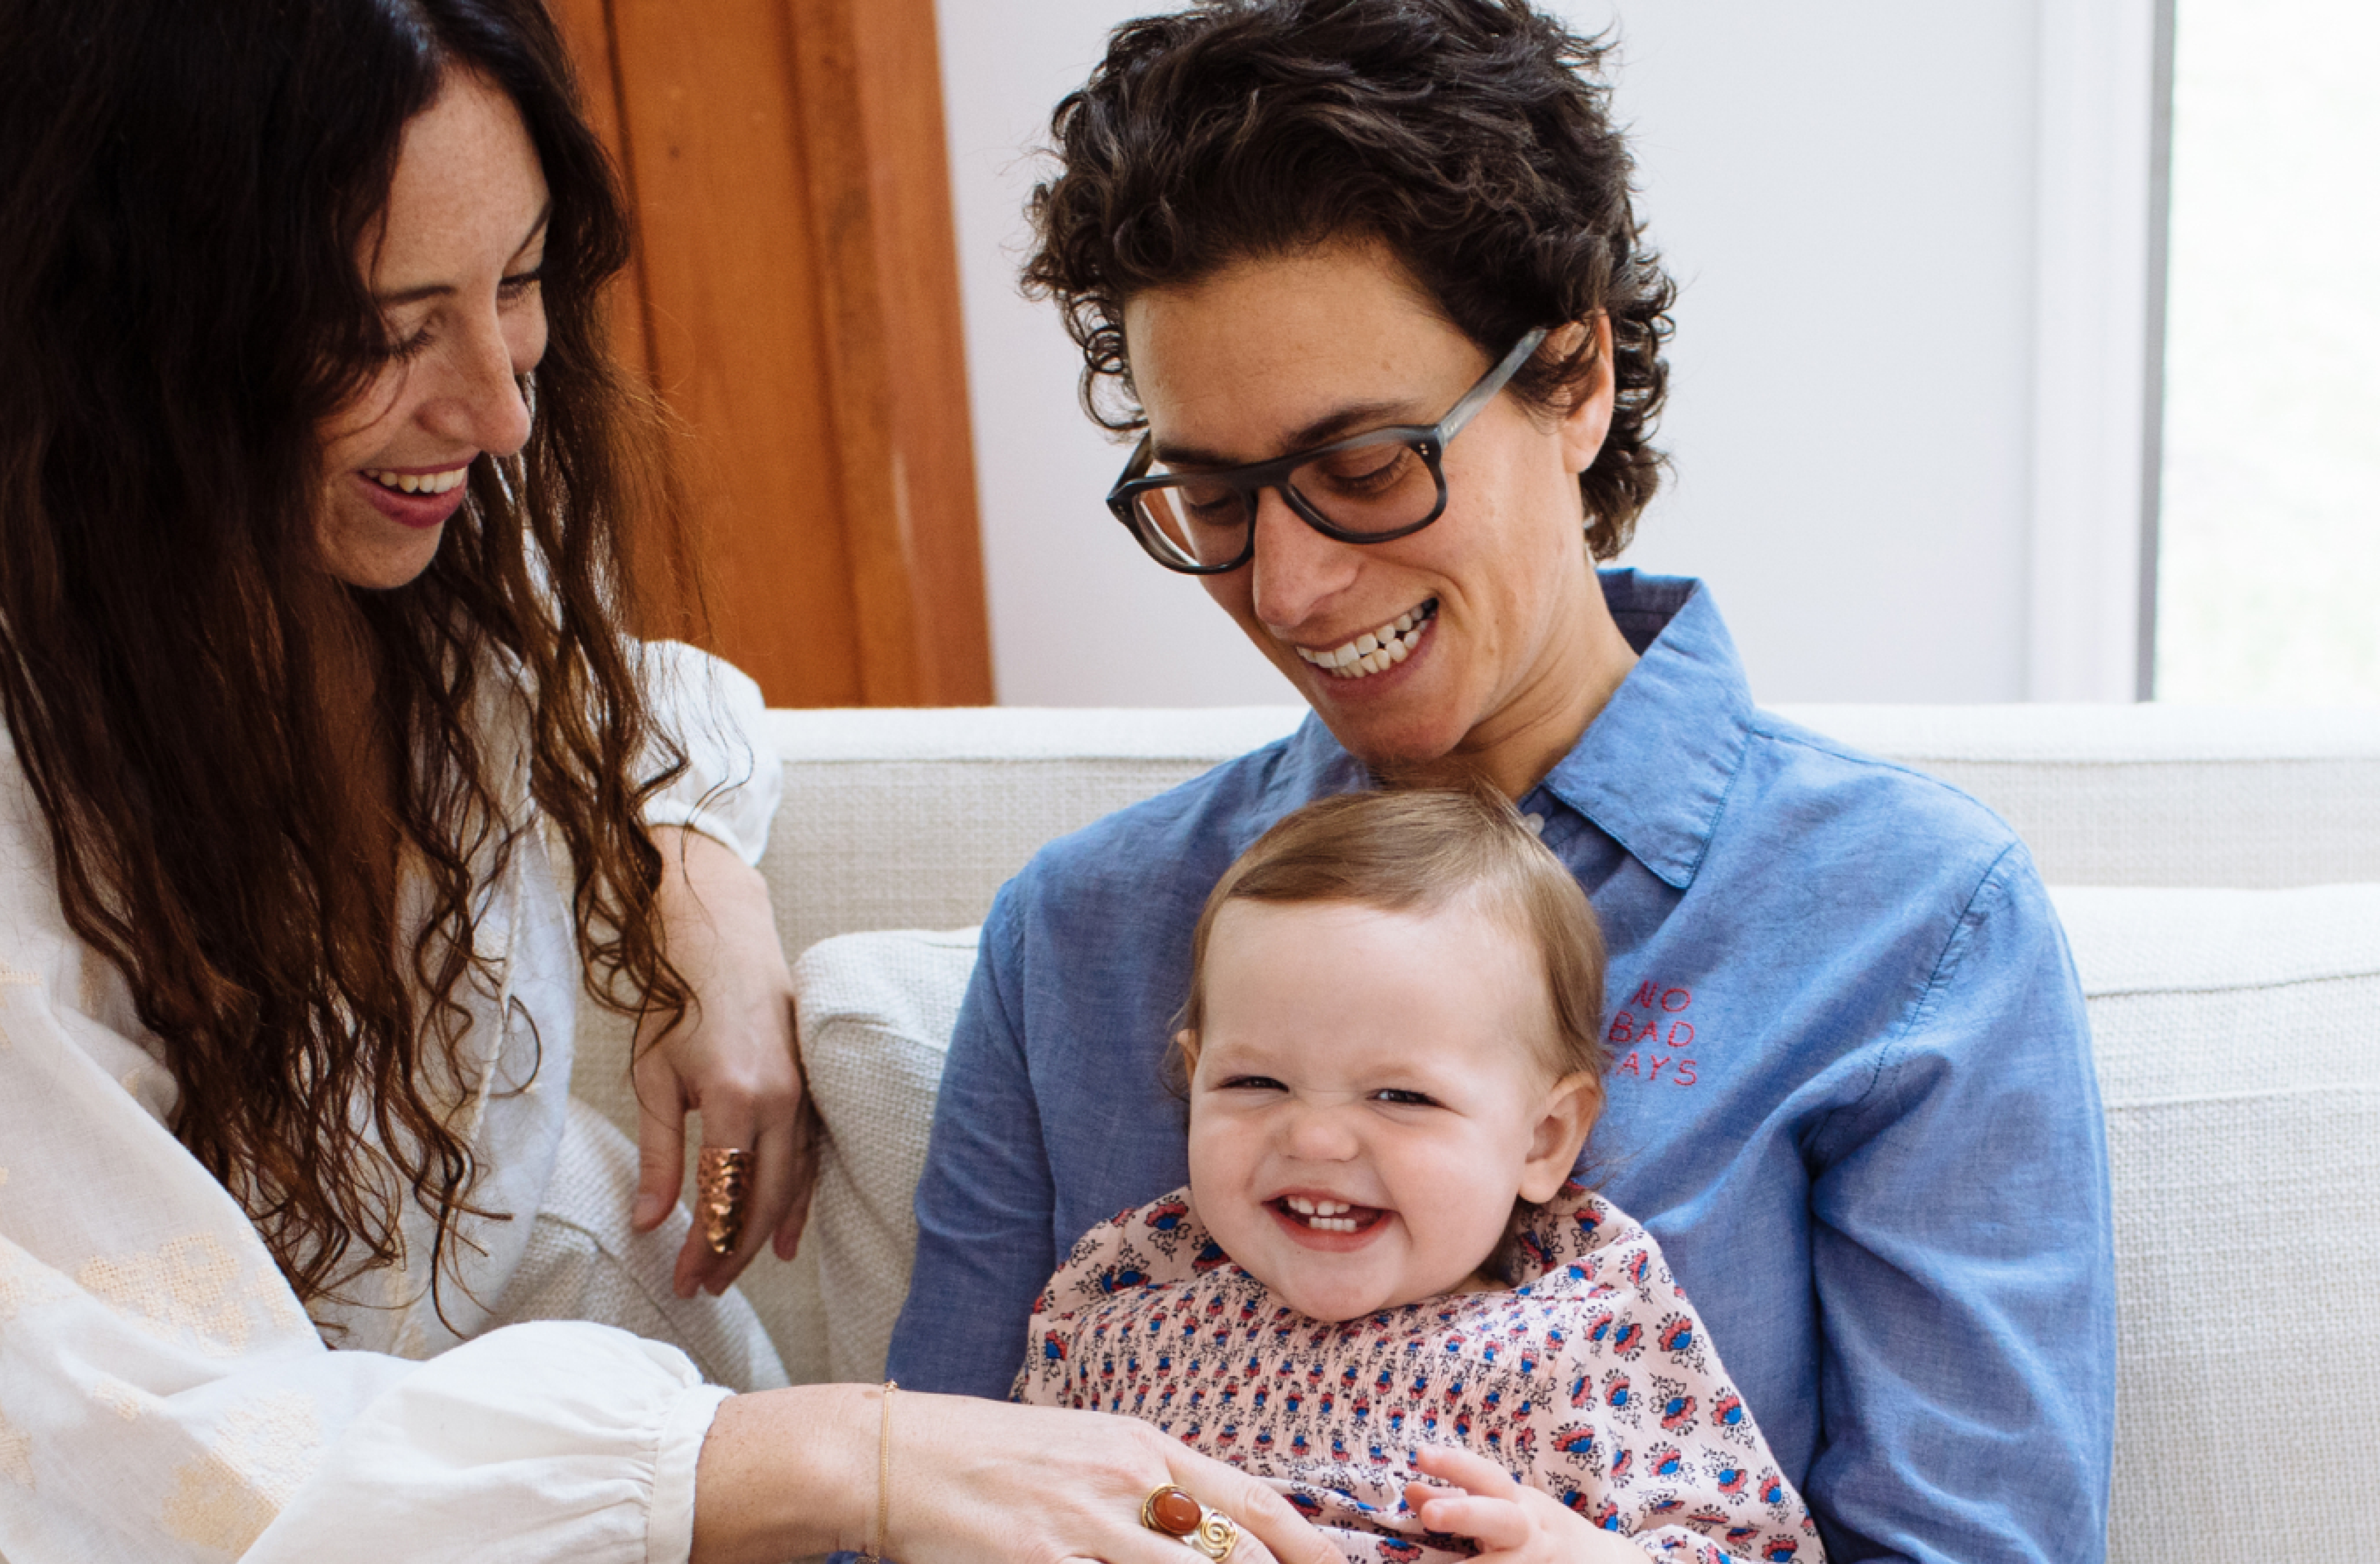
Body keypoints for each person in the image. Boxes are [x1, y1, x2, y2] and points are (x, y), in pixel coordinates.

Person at [0, 3, 1346, 1561]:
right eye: (387, 330)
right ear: (116, 328)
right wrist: (827, 1455)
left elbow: (616, 702)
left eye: (523, 283)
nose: (499, 408)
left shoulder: (390, 512)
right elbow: (126, 1424)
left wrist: (687, 875)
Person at [887, 3, 2115, 1560]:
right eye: (1212, 497)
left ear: (1574, 375)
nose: (1293, 587)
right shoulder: (1080, 937)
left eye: (1366, 467)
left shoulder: (1906, 926)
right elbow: (919, 1504)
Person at [1015, 789, 1819, 1564]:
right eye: (1254, 1083)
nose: (1318, 1138)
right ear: (1194, 1082)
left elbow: (1755, 1548)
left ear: (1542, 1139)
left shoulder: (1582, 1343)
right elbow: (994, 1503)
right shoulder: (1118, 1323)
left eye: (1402, 1096)